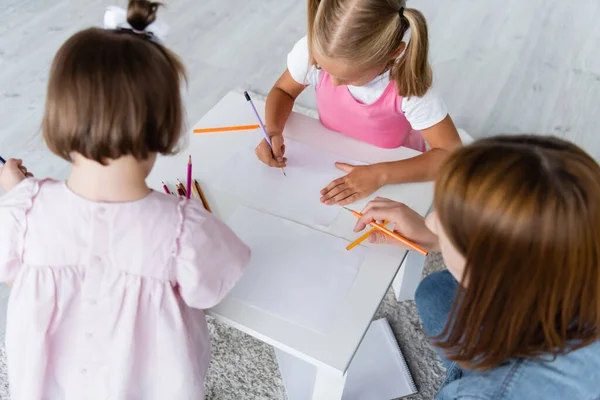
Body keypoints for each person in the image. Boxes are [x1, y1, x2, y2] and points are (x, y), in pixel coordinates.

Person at [0, 1, 250, 398]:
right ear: (164, 127)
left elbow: (16, 272)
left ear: (58, 119)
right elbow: (213, 287)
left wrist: (22, 195)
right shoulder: (183, 230)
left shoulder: (24, 213)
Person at [353, 136, 600, 399]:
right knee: (435, 291)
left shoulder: (489, 394)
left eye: (447, 222)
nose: (432, 221)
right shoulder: (580, 247)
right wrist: (444, 242)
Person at [255, 0, 462, 206]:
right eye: (324, 68)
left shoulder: (410, 85)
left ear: (393, 53)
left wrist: (380, 175)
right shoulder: (313, 51)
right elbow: (283, 91)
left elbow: (449, 155)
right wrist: (273, 129)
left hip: (397, 169)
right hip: (331, 153)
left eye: (348, 77)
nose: (334, 82)